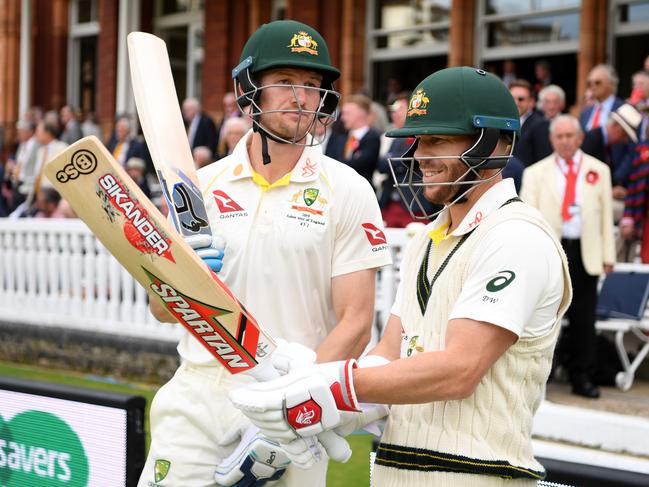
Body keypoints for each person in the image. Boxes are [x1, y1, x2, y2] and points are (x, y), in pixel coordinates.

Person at [229, 67, 572, 487]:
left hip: (478, 474)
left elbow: (460, 369)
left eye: (439, 140)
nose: (421, 156)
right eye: (419, 141)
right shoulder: (427, 238)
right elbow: (392, 350)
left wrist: (333, 384)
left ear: (494, 142)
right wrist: (325, 401)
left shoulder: (517, 237)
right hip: (396, 469)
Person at [138, 19, 392, 487]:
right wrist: (179, 270)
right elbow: (160, 310)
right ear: (248, 88)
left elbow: (356, 321)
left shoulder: (348, 189)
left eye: (313, 85)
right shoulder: (200, 186)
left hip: (292, 408)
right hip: (199, 393)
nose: (301, 97)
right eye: (285, 82)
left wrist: (291, 404)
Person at [521, 114, 615, 398]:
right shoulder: (535, 173)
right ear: (551, 140)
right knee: (545, 315)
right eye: (559, 137)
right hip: (551, 251)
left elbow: (605, 217)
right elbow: (528, 216)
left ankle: (582, 376)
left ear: (580, 138)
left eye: (569, 136)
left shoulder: (598, 170)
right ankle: (541, 375)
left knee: (584, 318)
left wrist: (607, 255)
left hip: (586, 251)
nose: (564, 141)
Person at [340, 94, 381, 189]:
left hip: (362, 190)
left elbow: (359, 164)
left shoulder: (372, 137)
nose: (342, 118)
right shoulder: (342, 138)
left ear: (360, 114)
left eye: (347, 113)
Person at [510, 79, 552, 166]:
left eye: (521, 99)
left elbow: (544, 161)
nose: (515, 102)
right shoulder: (503, 123)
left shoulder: (540, 124)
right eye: (511, 98)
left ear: (531, 102)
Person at [579, 64, 624, 132]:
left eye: (597, 83)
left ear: (611, 84)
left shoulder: (623, 109)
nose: (593, 86)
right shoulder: (585, 113)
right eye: (589, 83)